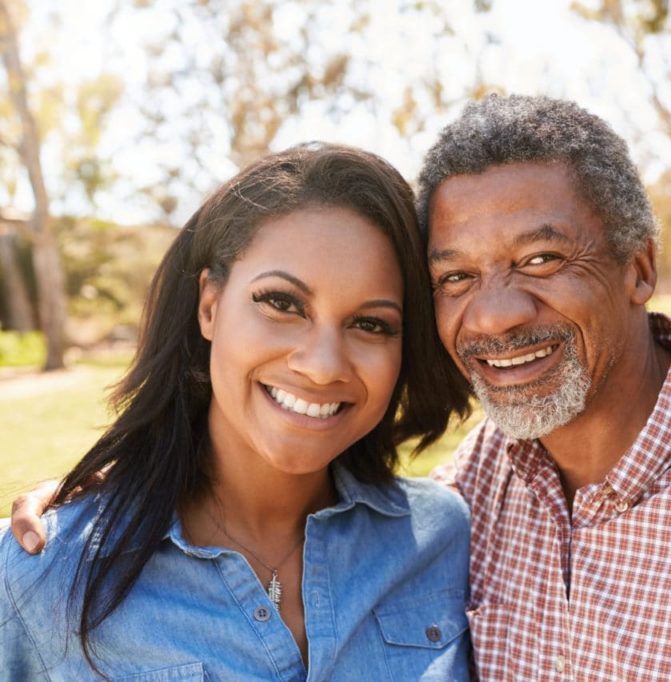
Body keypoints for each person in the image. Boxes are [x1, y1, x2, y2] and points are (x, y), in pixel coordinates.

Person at [11, 95, 671, 680]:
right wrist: (94, 501)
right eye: (456, 278)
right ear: (207, 305)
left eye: (543, 256)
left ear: (639, 267)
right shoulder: (480, 496)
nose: (497, 312)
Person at [0, 143, 472, 680]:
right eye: (282, 303)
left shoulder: (444, 539)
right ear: (210, 304)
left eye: (370, 324)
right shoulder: (44, 570)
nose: (321, 367)